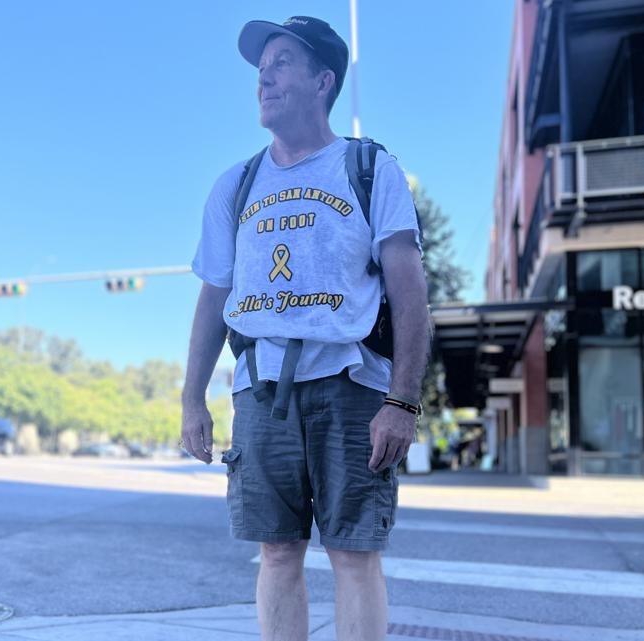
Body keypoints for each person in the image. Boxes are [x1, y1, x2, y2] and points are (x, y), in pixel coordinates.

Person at [180, 16, 429, 641]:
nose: (265, 75)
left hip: (351, 386)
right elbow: (214, 298)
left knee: (354, 555)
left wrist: (402, 401)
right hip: (261, 393)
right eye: (262, 66)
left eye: (283, 61)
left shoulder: (369, 169)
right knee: (277, 553)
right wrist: (192, 399)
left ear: (323, 80)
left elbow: (410, 295)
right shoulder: (235, 186)